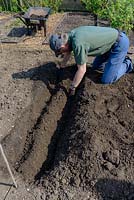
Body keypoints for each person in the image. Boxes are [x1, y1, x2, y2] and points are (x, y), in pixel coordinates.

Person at [49, 26, 133, 96]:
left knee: (107, 80)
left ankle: (128, 64)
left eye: (60, 51)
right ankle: (114, 61)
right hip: (106, 46)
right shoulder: (69, 36)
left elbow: (82, 70)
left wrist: (73, 87)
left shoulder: (78, 44)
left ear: (63, 45)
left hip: (119, 44)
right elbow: (68, 51)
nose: (61, 53)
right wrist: (62, 66)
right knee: (96, 67)